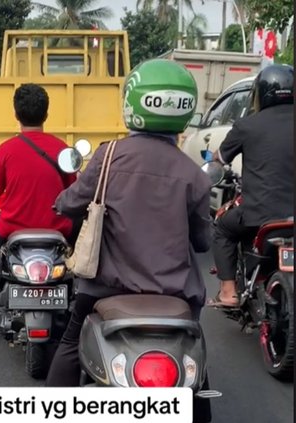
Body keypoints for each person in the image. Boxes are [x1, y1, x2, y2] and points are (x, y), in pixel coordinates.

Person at [45, 59, 212, 422]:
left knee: (71, 343)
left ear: (132, 104)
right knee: (194, 361)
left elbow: (70, 203)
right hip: (176, 297)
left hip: (107, 290)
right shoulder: (192, 175)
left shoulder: (108, 158)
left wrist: (64, 203)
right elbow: (202, 241)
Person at [0, 83, 77, 343]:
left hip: (12, 229)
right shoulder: (62, 149)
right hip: (57, 229)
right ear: (46, 115)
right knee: (77, 268)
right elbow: (73, 191)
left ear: (16, 114)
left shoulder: (5, 150)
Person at [208, 64, 294, 307]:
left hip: (259, 215)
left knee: (223, 228)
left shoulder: (248, 125)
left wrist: (216, 162)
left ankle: (227, 292)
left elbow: (220, 158)